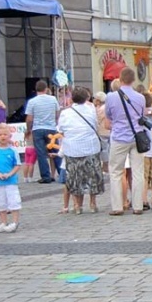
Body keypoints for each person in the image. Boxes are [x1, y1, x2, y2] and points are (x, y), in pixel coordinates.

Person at [104, 67, 148, 216]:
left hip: (119, 137)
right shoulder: (140, 97)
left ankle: (117, 206)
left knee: (116, 172)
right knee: (138, 172)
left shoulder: (111, 97)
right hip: (137, 137)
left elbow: (109, 115)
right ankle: (138, 206)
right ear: (133, 80)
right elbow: (141, 115)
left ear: (120, 79)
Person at [57, 86, 104, 214]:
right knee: (92, 175)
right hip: (90, 146)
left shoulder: (65, 113)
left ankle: (77, 205)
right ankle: (93, 203)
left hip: (73, 148)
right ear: (86, 98)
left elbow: (60, 129)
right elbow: (95, 125)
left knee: (75, 176)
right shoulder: (91, 110)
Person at [25, 80, 61, 183]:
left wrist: (28, 129)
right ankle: (61, 173)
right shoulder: (53, 99)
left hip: (38, 129)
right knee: (55, 151)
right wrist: (54, 122)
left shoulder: (32, 101)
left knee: (41, 154)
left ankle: (46, 176)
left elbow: (29, 118)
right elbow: (57, 113)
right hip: (51, 128)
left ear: (36, 89)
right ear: (46, 89)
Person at [93, 92, 111, 172]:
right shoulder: (106, 106)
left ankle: (105, 165)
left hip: (103, 131)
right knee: (107, 148)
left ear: (98, 100)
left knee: (104, 149)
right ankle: (106, 165)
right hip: (108, 130)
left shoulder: (101, 109)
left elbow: (97, 120)